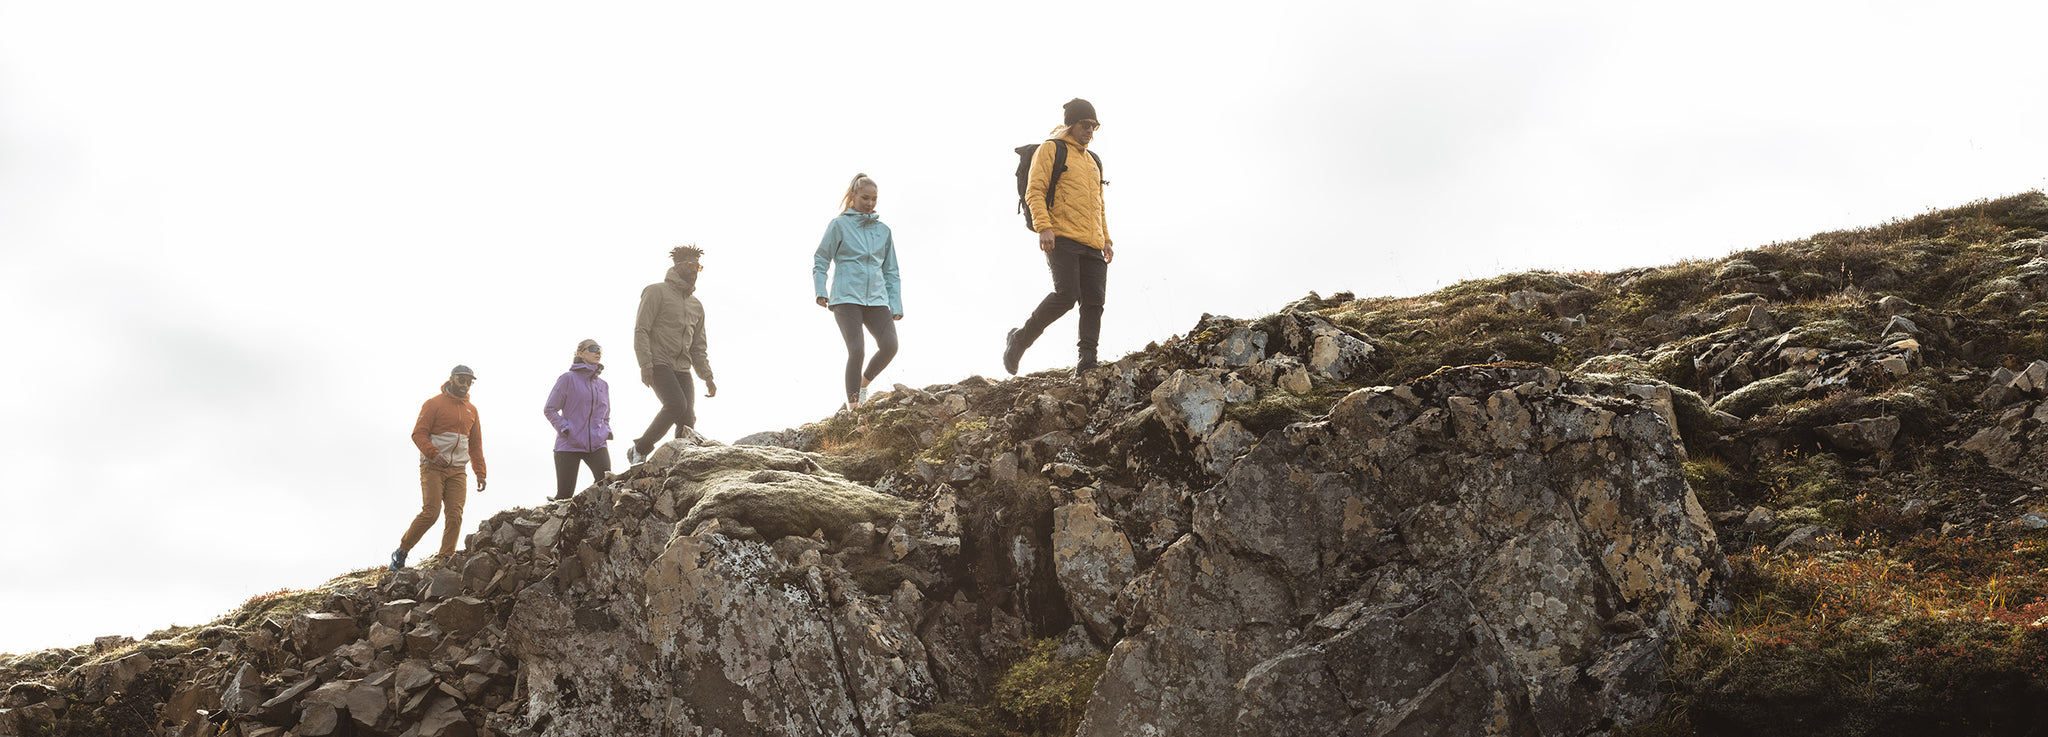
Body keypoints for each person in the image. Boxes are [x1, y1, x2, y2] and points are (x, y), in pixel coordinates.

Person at [1004, 98, 1114, 376]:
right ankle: (1020, 339)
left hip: (1092, 242)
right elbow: (1035, 191)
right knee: (1067, 295)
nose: (1090, 130)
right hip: (1061, 237)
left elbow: (1098, 204)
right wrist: (1043, 227)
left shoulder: (1093, 161)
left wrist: (1106, 239)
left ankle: (1087, 361)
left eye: (1094, 126)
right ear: (1072, 124)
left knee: (1094, 302)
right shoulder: (1051, 149)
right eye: (1085, 124)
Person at [813, 173, 903, 412]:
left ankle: (863, 385)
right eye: (865, 198)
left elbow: (891, 270)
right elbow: (821, 259)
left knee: (890, 345)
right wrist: (820, 290)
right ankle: (855, 410)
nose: (870, 203)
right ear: (853, 196)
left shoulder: (883, 231)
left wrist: (896, 304)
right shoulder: (839, 225)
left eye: (874, 199)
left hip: (877, 299)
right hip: (845, 298)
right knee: (857, 350)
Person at [392, 365, 487, 570]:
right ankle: (402, 551)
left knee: (455, 514)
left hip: (458, 471)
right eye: (461, 380)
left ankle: (445, 559)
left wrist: (480, 472)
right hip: (432, 466)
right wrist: (434, 454)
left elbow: (475, 444)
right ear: (451, 379)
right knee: (431, 512)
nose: (465, 385)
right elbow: (418, 434)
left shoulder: (472, 410)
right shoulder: (433, 404)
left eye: (469, 382)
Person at [630, 245, 717, 464]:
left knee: (687, 419)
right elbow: (641, 329)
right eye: (689, 264)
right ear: (676, 266)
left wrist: (707, 376)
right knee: (676, 404)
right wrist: (645, 364)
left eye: (698, 266)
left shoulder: (697, 305)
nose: (694, 270)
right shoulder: (655, 291)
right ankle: (640, 448)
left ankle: (680, 462)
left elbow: (698, 345)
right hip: (659, 362)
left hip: (683, 367)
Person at [543, 339, 612, 501]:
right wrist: (565, 428)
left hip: (597, 445)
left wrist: (605, 431)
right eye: (593, 348)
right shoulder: (567, 379)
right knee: (564, 497)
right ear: (580, 353)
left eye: (599, 349)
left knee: (606, 487)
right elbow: (550, 409)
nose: (598, 352)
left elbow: (606, 415)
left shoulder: (603, 385)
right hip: (569, 445)